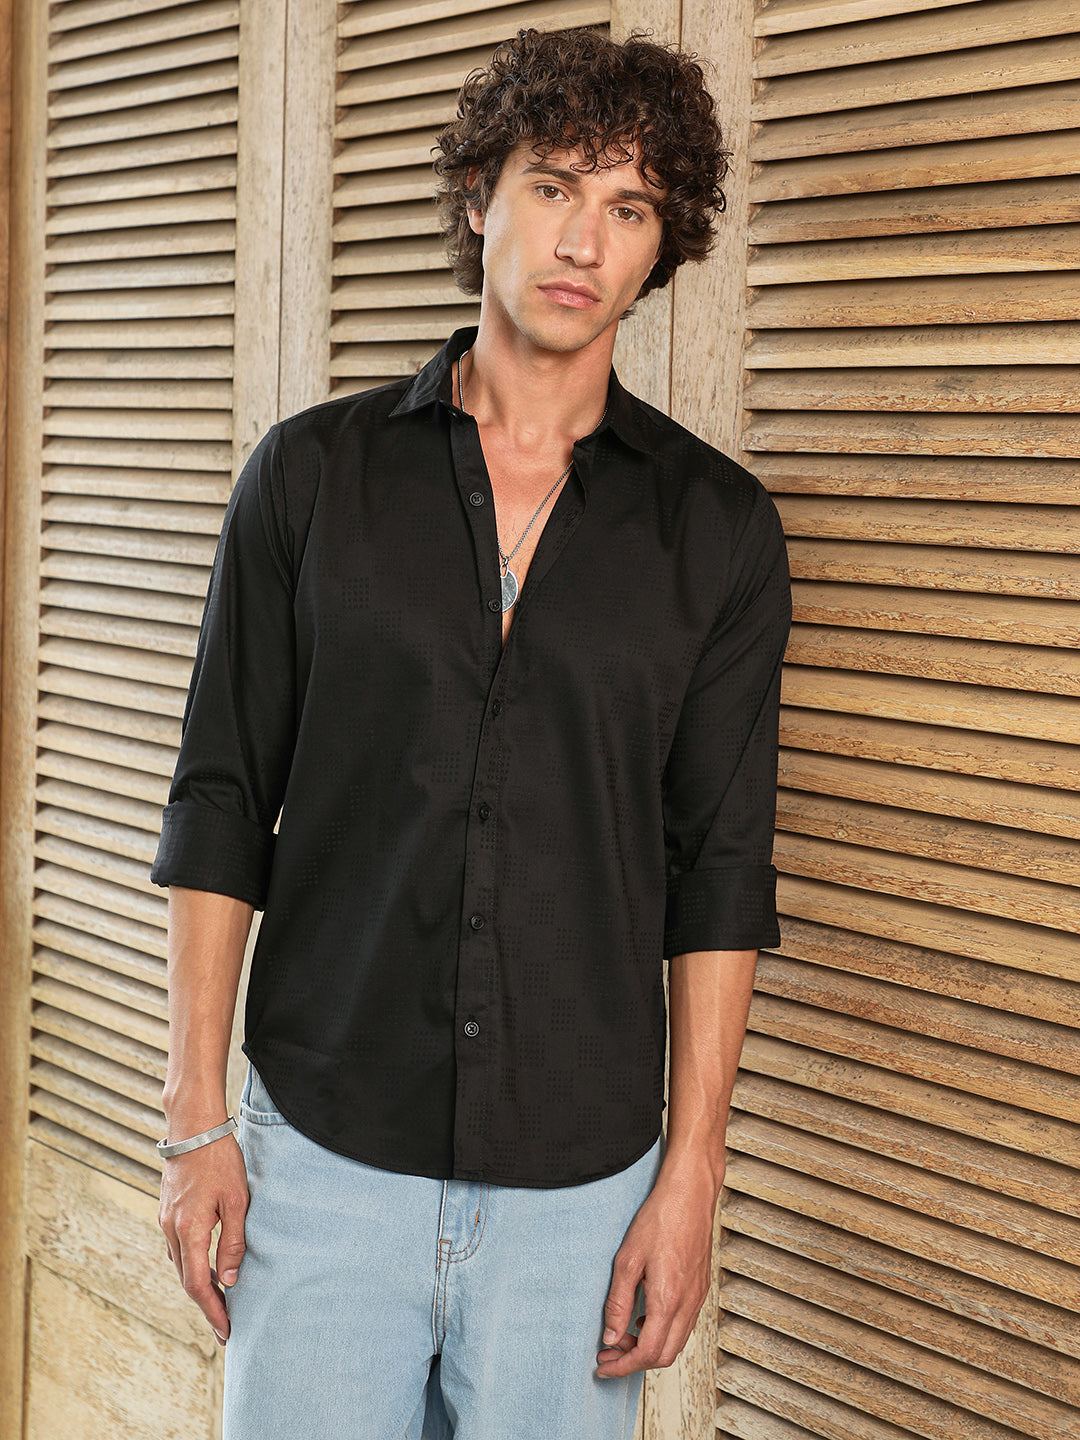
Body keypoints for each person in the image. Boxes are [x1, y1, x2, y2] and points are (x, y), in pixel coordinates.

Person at [151, 26, 790, 1440]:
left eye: (630, 207)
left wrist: (691, 1176)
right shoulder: (309, 480)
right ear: (477, 196)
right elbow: (220, 800)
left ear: (663, 243)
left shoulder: (720, 533)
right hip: (323, 1160)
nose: (585, 240)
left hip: (582, 1195)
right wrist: (197, 1117)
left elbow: (720, 872)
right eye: (554, 186)